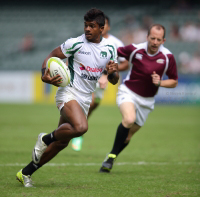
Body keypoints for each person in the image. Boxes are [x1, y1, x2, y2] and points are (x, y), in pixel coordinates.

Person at [16, 8, 119, 187]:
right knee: (81, 127)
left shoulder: (110, 49)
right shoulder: (75, 43)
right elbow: (51, 56)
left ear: (101, 28)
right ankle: (44, 138)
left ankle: (26, 173)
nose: (87, 29)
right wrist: (44, 75)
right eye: (86, 25)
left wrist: (112, 73)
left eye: (92, 26)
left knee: (62, 143)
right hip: (68, 92)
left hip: (85, 98)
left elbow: (114, 80)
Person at [99, 24, 178, 173]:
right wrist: (105, 72)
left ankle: (111, 157)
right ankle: (111, 158)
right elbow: (112, 52)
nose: (155, 42)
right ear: (147, 37)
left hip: (147, 101)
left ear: (164, 41)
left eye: (158, 39)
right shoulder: (135, 49)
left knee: (127, 137)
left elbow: (174, 81)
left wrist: (160, 82)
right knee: (129, 119)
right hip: (128, 92)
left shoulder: (168, 57)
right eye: (152, 38)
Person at [71, 15, 129, 151]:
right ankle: (76, 130)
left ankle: (79, 126)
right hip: (85, 76)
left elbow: (125, 64)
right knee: (84, 102)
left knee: (93, 104)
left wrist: (109, 71)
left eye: (105, 24)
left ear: (107, 26)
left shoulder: (115, 43)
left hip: (103, 78)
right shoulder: (86, 40)